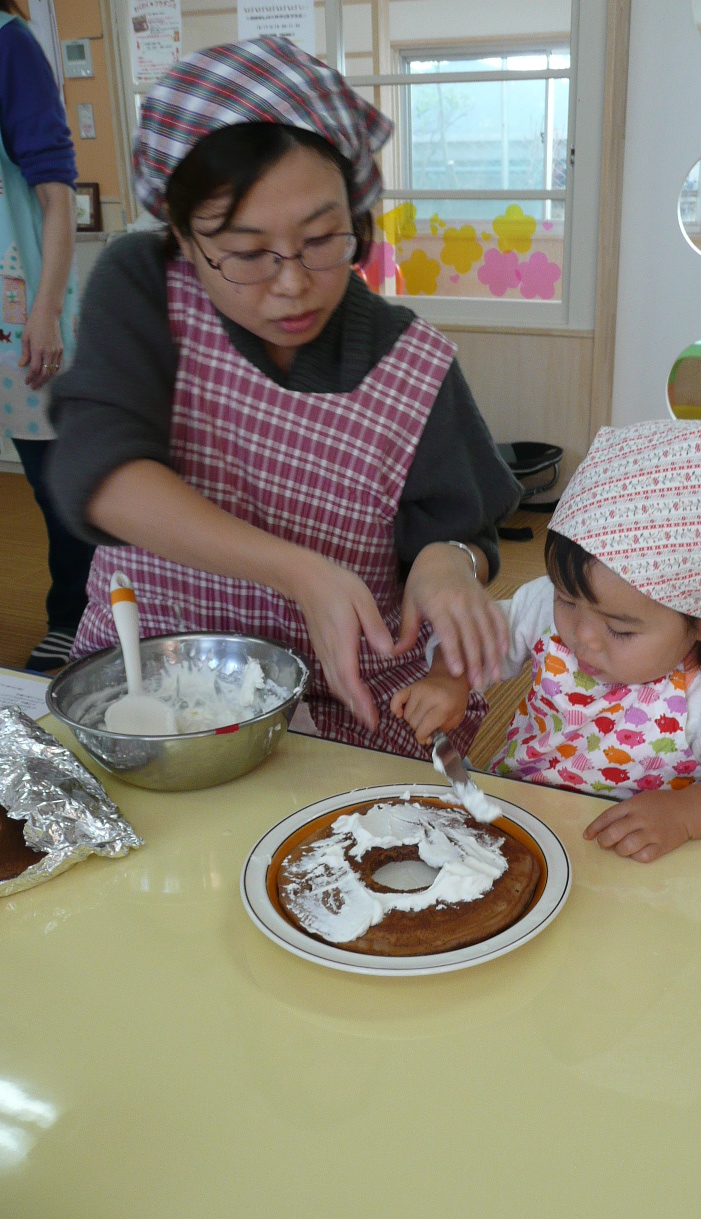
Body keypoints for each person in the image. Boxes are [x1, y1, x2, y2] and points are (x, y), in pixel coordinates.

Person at [48, 37, 521, 759]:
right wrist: (300, 572)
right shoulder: (145, 285)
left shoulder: (408, 357)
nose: (294, 283)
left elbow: (462, 528)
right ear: (181, 235)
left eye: (323, 238)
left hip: (350, 703)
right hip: (159, 682)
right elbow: (104, 479)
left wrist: (447, 563)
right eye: (244, 253)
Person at [392, 415, 701, 861]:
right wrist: (448, 678)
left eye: (620, 629)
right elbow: (473, 637)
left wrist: (685, 815)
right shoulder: (544, 604)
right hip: (525, 829)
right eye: (567, 600)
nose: (582, 636)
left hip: (641, 866)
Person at [0, 0, 94, 671]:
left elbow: (55, 194)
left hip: (17, 303)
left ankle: (74, 613)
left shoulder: (11, 45)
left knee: (58, 482)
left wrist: (46, 310)